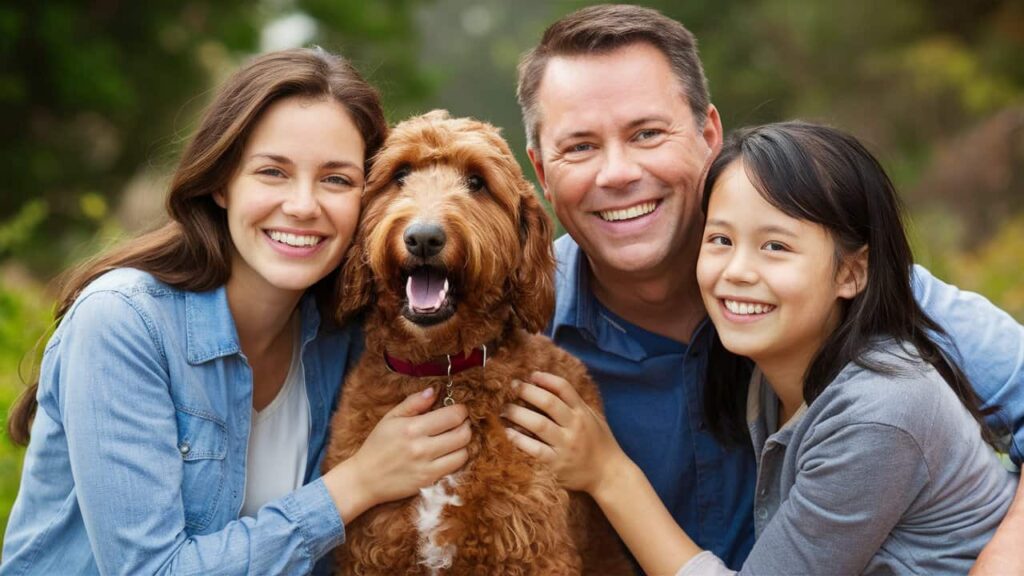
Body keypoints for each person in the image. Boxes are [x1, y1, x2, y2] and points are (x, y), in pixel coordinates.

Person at [507, 3, 1024, 572]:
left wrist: (1003, 561)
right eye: (579, 146)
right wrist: (384, 473)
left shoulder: (841, 292)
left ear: (708, 134)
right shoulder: (513, 324)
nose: (618, 173)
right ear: (541, 171)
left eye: (647, 133)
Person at [2, 48, 471, 575]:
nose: (302, 205)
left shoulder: (349, 337)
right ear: (223, 183)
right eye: (273, 172)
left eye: (336, 179)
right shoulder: (123, 323)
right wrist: (356, 484)